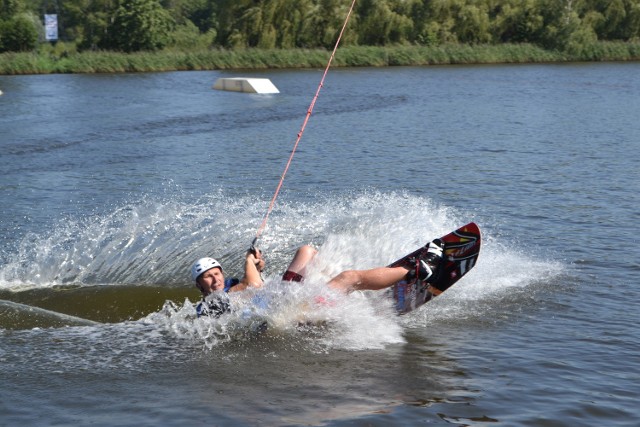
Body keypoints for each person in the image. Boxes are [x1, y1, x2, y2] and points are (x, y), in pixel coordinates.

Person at [191, 240, 445, 317]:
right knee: (348, 277)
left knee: (307, 251)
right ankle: (420, 270)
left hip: (287, 300)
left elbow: (254, 287)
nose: (214, 280)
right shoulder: (212, 304)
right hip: (291, 315)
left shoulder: (234, 285)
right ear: (199, 285)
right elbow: (254, 286)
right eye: (207, 278)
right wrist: (249, 263)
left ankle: (347, 293)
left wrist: (257, 266)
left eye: (216, 274)